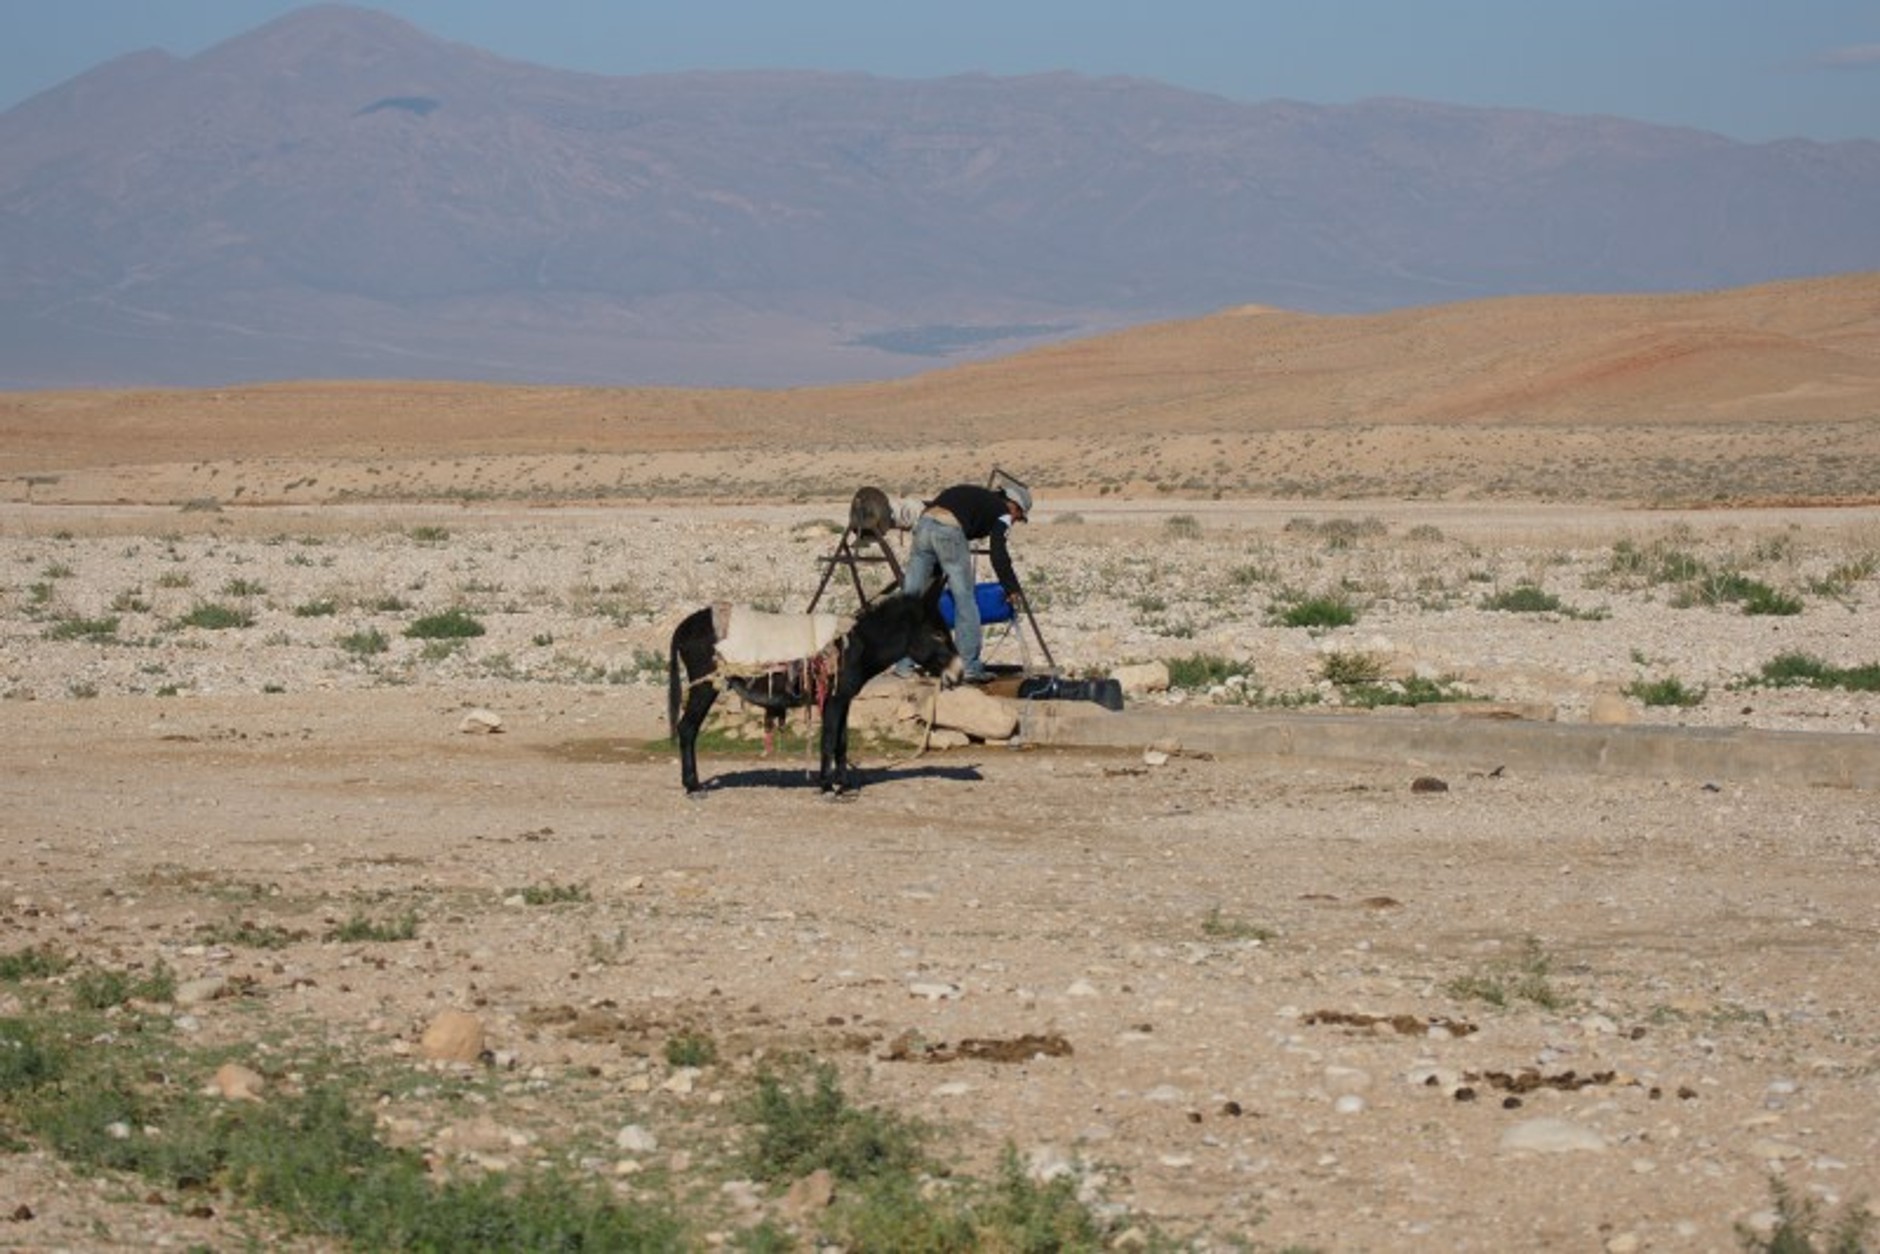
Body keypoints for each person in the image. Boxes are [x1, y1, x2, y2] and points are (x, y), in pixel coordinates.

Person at [897, 480, 1031, 683]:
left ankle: (903, 665)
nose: (1014, 521)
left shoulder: (977, 497)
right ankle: (968, 667)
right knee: (964, 599)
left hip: (924, 525)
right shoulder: (1002, 512)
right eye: (1018, 517)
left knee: (912, 597)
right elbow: (999, 554)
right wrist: (1011, 587)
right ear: (1013, 505)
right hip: (948, 529)